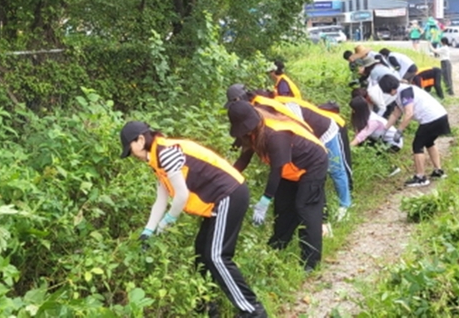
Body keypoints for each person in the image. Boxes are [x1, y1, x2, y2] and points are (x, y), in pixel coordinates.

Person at [119, 121, 266, 318]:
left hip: (229, 194)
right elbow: (161, 199)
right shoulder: (157, 158)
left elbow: (181, 196)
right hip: (219, 199)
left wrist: (165, 223)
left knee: (217, 256)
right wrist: (147, 232)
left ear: (140, 140)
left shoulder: (166, 153)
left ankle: (253, 311)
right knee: (201, 253)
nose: (132, 155)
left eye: (130, 149)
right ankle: (207, 307)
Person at [227, 101, 328, 271]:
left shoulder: (275, 135)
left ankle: (310, 262)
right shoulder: (251, 132)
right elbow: (244, 158)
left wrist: (264, 200)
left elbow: (276, 170)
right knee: (283, 206)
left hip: (312, 164)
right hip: (290, 168)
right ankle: (278, 246)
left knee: (305, 208)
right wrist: (228, 178)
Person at [378, 75, 449, 187]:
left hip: (432, 118)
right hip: (440, 116)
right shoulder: (402, 91)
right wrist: (385, 128)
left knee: (417, 145)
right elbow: (396, 113)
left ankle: (420, 177)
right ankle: (438, 171)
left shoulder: (405, 92)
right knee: (429, 142)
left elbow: (409, 113)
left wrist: (400, 130)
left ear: (390, 88)